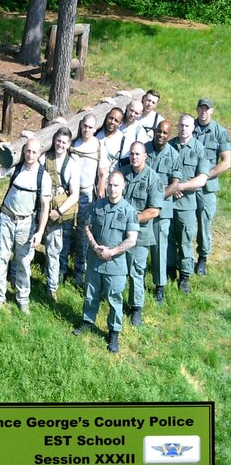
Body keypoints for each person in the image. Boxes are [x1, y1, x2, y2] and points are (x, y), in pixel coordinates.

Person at [72, 171, 139, 354]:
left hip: (115, 265)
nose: (112, 188)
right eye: (110, 185)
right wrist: (94, 247)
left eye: (116, 185)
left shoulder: (129, 211)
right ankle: (87, 322)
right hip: (95, 261)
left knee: (114, 299)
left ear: (123, 186)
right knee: (90, 294)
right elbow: (87, 226)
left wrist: (112, 252)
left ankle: (114, 332)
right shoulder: (97, 206)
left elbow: (132, 239)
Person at [0, 139, 51, 314]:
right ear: (24, 151)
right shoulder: (16, 167)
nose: (30, 156)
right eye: (28, 151)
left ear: (39, 154)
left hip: (26, 222)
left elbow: (45, 206)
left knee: (23, 262)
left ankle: (23, 298)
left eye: (34, 152)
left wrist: (39, 232)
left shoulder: (43, 176)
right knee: (2, 256)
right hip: (7, 218)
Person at [120, 142, 163, 326]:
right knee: (117, 268)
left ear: (145, 155)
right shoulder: (123, 173)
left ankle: (136, 308)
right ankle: (112, 298)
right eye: (132, 154)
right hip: (119, 231)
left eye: (138, 154)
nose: (134, 157)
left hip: (140, 233)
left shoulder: (153, 179)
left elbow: (154, 211)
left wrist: (133, 220)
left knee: (136, 271)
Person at [168, 115, 209, 294]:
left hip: (187, 204)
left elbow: (201, 179)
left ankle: (185, 275)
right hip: (168, 202)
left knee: (185, 240)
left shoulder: (199, 149)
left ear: (193, 128)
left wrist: (180, 186)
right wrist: (171, 188)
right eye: (181, 125)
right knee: (168, 240)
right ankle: (169, 270)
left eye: (187, 126)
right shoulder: (169, 145)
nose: (183, 128)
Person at [67, 115, 108, 285]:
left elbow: (102, 172)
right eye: (85, 126)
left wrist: (100, 194)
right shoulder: (73, 142)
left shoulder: (98, 146)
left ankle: (79, 271)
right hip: (69, 194)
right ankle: (61, 268)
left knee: (84, 234)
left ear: (94, 128)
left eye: (91, 127)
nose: (87, 130)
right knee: (66, 230)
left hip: (86, 194)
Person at [192, 97, 231, 276]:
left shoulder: (219, 132)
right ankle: (182, 258)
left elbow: (226, 161)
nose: (204, 112)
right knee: (184, 224)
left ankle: (202, 259)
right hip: (188, 185)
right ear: (197, 109)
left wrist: (205, 176)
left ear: (212, 110)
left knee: (204, 223)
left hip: (206, 187)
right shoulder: (189, 128)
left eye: (207, 109)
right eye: (201, 108)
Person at [42, 127, 80, 300]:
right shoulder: (44, 157)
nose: (60, 144)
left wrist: (59, 211)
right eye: (58, 140)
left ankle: (52, 287)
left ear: (69, 144)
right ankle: (18, 277)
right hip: (38, 206)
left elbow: (75, 194)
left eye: (64, 142)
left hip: (56, 210)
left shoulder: (72, 164)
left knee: (53, 250)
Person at [145, 120, 180, 304]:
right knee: (138, 245)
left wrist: (157, 199)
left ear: (169, 134)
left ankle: (159, 286)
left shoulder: (174, 155)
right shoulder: (144, 149)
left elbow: (175, 184)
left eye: (165, 133)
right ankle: (136, 279)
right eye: (159, 131)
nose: (161, 135)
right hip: (142, 206)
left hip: (162, 209)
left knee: (159, 248)